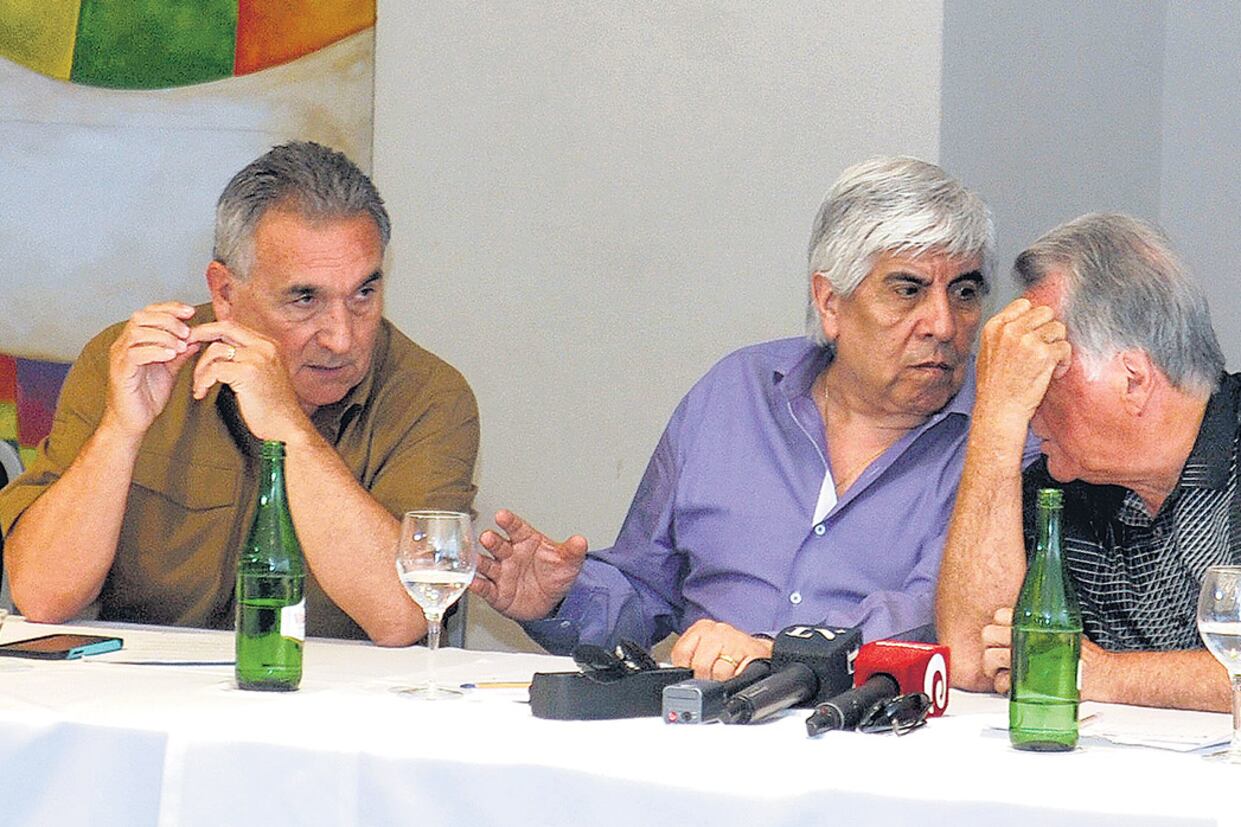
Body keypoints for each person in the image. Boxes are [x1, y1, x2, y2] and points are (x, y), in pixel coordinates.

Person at [472, 156, 998, 678]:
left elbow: (940, 613)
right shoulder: (734, 395)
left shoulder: (1001, 434)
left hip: (879, 735)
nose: (943, 324)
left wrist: (778, 653)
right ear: (830, 302)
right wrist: (562, 599)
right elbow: (647, 587)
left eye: (965, 293)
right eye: (908, 290)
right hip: (707, 731)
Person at [0, 141, 479, 645]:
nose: (342, 337)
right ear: (225, 292)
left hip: (334, 708)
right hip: (145, 703)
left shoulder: (430, 397)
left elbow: (404, 616)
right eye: (304, 298)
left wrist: (287, 426)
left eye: (364, 292)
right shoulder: (132, 363)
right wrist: (121, 432)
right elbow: (42, 595)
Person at [936, 212, 1235, 711]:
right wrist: (994, 422)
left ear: (1133, 380)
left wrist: (1107, 675)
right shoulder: (1059, 486)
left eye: (1040, 373)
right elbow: (972, 658)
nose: (1026, 404)